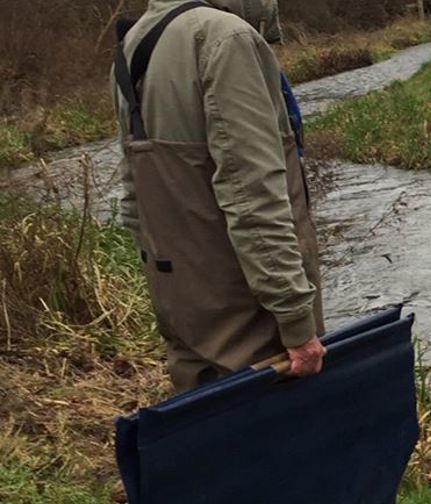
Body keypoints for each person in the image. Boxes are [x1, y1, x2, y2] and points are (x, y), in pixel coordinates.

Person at [111, 0, 325, 392]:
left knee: (211, 438)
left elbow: (133, 198)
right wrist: (295, 318)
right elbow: (252, 194)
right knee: (278, 441)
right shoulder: (225, 37)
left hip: (181, 303)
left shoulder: (134, 39)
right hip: (248, 314)